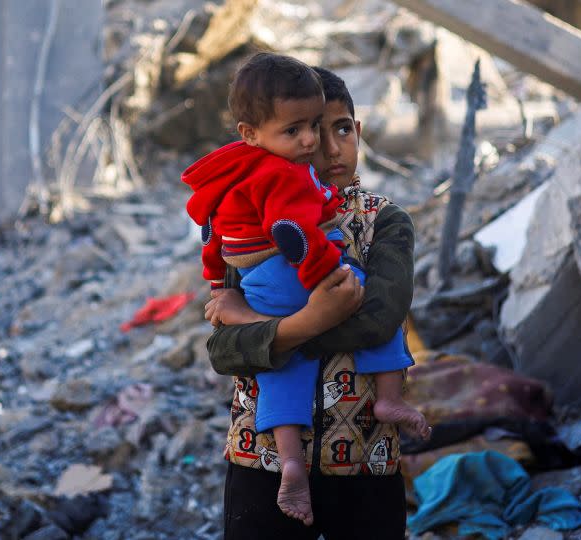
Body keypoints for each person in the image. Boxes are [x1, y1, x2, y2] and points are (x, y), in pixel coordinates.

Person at [181, 53, 428, 528]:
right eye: (306, 130)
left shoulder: (381, 220)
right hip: (264, 462)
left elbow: (379, 317)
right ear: (271, 139)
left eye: (341, 129)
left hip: (364, 457)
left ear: (359, 130)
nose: (327, 147)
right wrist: (281, 324)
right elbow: (224, 352)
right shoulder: (253, 218)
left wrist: (273, 328)